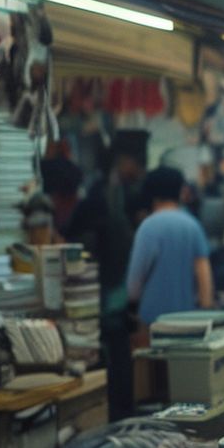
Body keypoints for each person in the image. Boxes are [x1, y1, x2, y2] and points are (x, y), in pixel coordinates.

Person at [64, 129, 149, 420]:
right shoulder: (100, 197)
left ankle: (121, 412)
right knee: (111, 360)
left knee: (120, 358)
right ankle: (115, 414)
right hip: (101, 295)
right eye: (137, 164)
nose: (139, 171)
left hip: (118, 294)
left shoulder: (123, 194)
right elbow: (86, 248)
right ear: (124, 160)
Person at [125, 168, 214, 326]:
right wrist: (205, 309)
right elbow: (204, 277)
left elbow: (134, 284)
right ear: (179, 191)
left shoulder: (148, 227)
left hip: (153, 322)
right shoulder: (193, 226)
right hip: (188, 322)